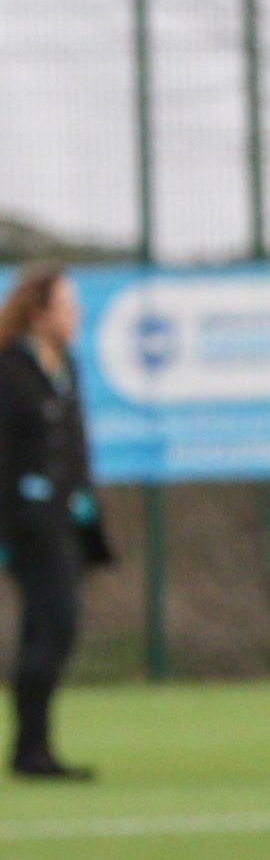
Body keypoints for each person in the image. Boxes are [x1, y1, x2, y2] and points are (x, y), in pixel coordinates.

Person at [0, 264, 111, 781]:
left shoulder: (67, 365)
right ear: (39, 313)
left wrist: (83, 500)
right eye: (67, 306)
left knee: (42, 631)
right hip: (27, 523)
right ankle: (32, 750)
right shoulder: (8, 369)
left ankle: (30, 751)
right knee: (56, 625)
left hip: (65, 520)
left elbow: (75, 442)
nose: (76, 316)